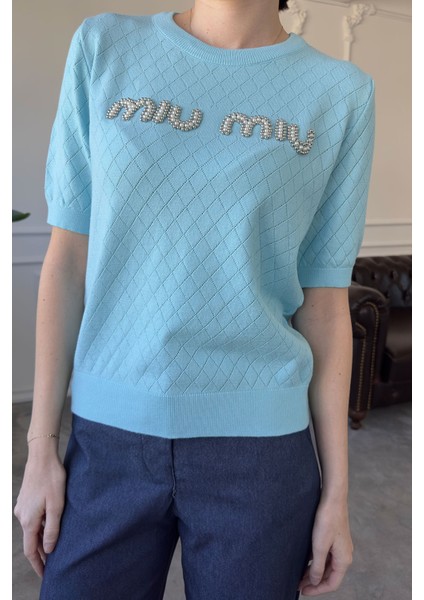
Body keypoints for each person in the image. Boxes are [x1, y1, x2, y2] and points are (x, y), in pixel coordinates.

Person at [14, 0, 375, 598]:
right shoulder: (104, 47)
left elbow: (325, 303)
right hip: (107, 442)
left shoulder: (341, 93)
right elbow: (68, 260)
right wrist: (39, 451)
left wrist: (336, 493)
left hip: (261, 456)